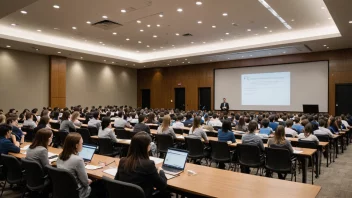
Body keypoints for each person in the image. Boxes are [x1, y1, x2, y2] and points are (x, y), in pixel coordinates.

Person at [115, 132, 167, 198]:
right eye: (149, 144)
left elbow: (116, 180)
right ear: (145, 147)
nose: (150, 146)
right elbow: (162, 185)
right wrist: (161, 171)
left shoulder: (123, 160)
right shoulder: (149, 164)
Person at [57, 133, 92, 198]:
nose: (83, 145)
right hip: (76, 192)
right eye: (82, 143)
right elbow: (86, 183)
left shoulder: (60, 156)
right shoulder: (78, 160)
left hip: (62, 189)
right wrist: (89, 180)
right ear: (76, 146)